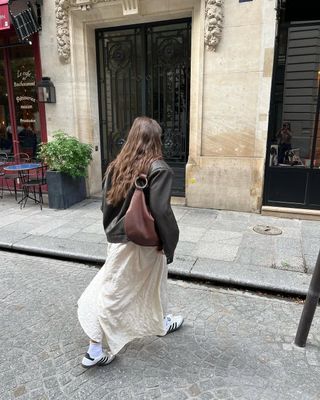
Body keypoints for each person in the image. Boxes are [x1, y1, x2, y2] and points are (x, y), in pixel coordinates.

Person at [77, 116, 182, 368]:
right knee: (112, 291)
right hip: (144, 243)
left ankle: (161, 321)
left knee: (155, 281)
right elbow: (161, 211)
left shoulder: (117, 165)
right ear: (156, 139)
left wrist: (113, 233)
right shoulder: (159, 169)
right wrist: (170, 243)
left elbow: (105, 206)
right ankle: (94, 349)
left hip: (120, 238)